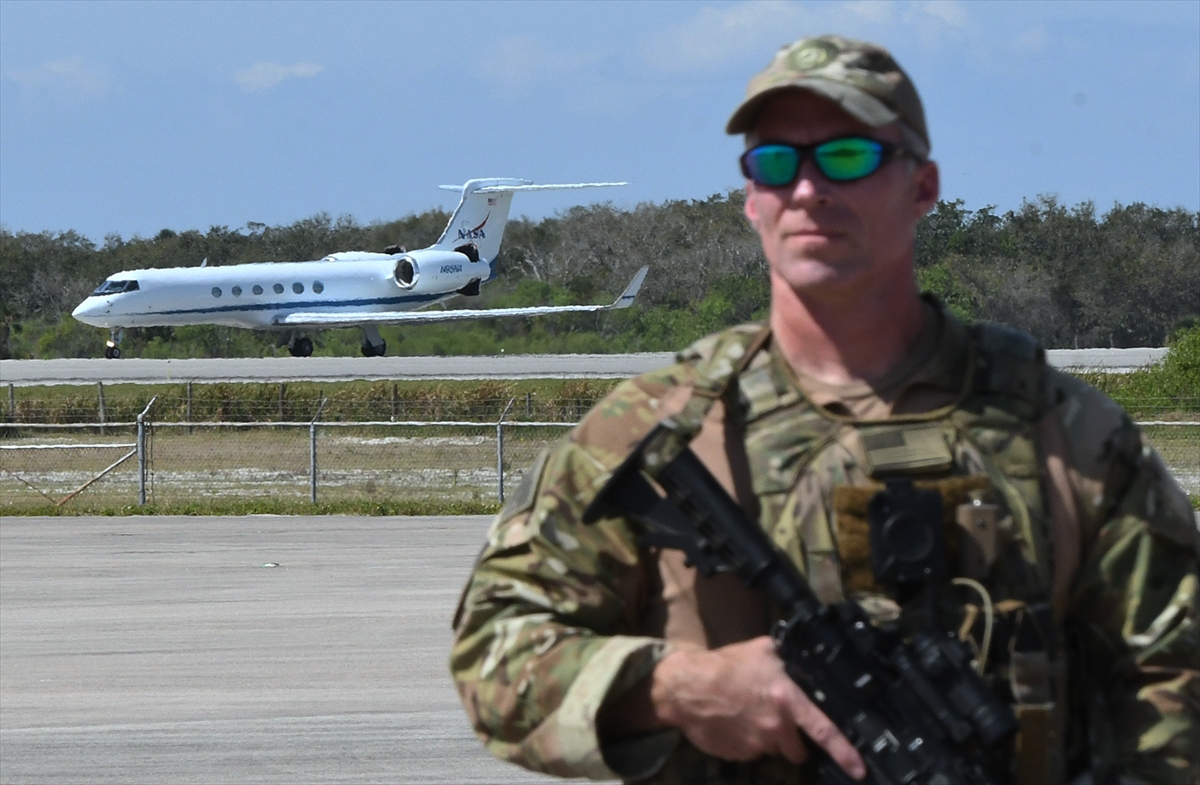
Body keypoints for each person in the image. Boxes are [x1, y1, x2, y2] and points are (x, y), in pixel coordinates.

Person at [450, 34, 1199, 785]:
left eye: (848, 156)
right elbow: (494, 656)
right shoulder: (658, 430)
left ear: (923, 186)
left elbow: (1177, 677)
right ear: (752, 199)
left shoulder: (1064, 433)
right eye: (777, 162)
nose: (808, 189)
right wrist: (679, 687)